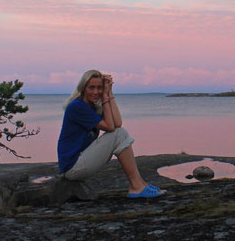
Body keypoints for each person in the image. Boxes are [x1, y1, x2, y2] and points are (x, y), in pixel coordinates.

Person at [57, 69, 165, 198]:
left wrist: (109, 93)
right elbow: (110, 127)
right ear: (83, 88)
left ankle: (139, 184)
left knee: (120, 132)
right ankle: (136, 186)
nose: (96, 92)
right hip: (73, 166)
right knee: (119, 134)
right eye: (91, 88)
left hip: (80, 162)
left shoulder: (92, 107)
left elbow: (117, 123)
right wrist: (104, 98)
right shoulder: (77, 106)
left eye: (99, 88)